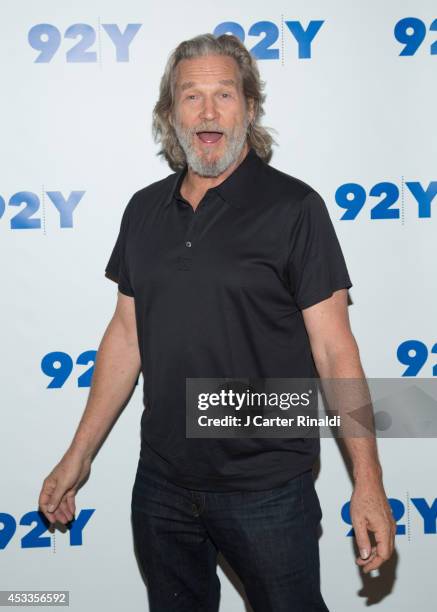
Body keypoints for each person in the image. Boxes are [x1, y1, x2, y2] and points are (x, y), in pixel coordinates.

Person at [38, 33, 396, 611]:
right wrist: (78, 455)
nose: (208, 112)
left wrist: (369, 483)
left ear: (249, 109)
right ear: (168, 113)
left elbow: (334, 351)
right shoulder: (143, 210)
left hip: (268, 490)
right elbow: (127, 336)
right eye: (191, 96)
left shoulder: (295, 209)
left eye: (224, 95)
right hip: (160, 485)